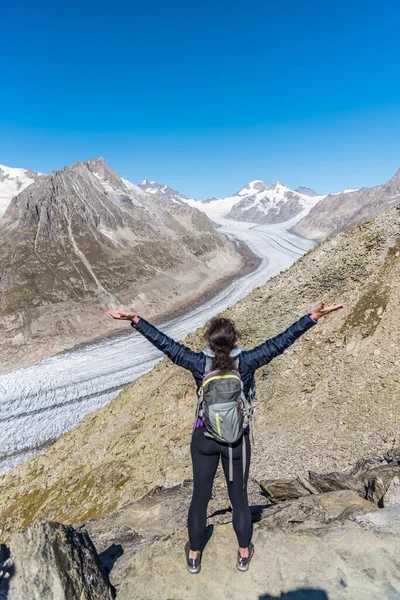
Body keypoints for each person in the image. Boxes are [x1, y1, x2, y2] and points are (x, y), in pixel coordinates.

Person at [107, 301, 343, 573]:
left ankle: (194, 555)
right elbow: (281, 341)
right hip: (236, 441)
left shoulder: (198, 363)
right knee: (239, 498)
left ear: (209, 341)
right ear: (235, 340)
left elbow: (167, 345)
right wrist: (312, 317)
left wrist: (136, 319)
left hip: (204, 438)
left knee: (200, 497)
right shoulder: (248, 361)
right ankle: (243, 553)